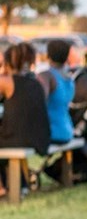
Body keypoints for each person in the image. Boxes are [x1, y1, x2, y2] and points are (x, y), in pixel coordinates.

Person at [0, 43, 50, 198]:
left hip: (18, 138)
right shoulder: (36, 82)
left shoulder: (6, 81)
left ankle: (2, 187)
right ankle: (19, 184)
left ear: (7, 62)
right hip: (39, 137)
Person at [38, 39, 76, 145]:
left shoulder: (46, 76)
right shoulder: (69, 79)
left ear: (48, 55)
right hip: (67, 130)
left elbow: (39, 101)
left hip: (52, 132)